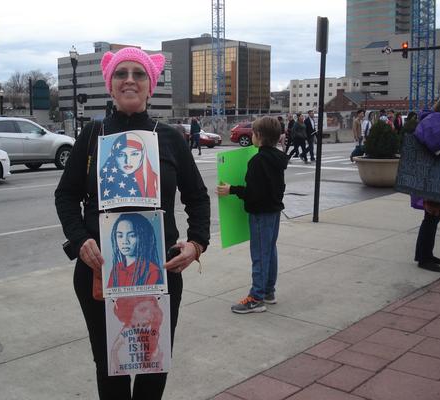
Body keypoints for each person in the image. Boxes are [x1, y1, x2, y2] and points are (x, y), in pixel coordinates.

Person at [55, 46, 210, 400]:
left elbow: (198, 197)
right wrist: (80, 240)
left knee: (154, 363)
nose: (129, 80)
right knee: (110, 367)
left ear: (150, 85)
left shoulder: (169, 137)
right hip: (101, 271)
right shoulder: (93, 135)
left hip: (160, 270)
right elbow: (65, 196)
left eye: (138, 74)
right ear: (111, 85)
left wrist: (196, 243)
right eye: (121, 74)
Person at [216, 116, 288, 313]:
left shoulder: (258, 160)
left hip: (261, 214)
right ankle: (268, 291)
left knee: (259, 255)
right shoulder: (277, 158)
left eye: (253, 133)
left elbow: (253, 193)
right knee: (269, 250)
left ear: (258, 136)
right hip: (274, 211)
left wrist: (232, 189)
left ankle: (256, 297)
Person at [412, 97, 440, 272]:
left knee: (433, 217)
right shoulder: (435, 122)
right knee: (432, 216)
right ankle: (424, 258)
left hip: (433, 176)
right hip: (433, 177)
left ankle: (425, 254)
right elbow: (436, 146)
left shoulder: (433, 120)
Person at [110, 296, 164, 374]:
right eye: (143, 310)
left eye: (152, 311)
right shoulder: (122, 343)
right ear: (128, 312)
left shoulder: (149, 336)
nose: (150, 316)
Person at [108, 213, 163, 288]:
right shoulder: (116, 269)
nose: (125, 241)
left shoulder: (152, 271)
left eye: (132, 235)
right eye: (120, 236)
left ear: (143, 237)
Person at [100, 132, 158, 200]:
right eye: (121, 155)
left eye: (134, 154)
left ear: (142, 155)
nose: (128, 161)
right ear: (114, 156)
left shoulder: (154, 180)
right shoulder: (104, 177)